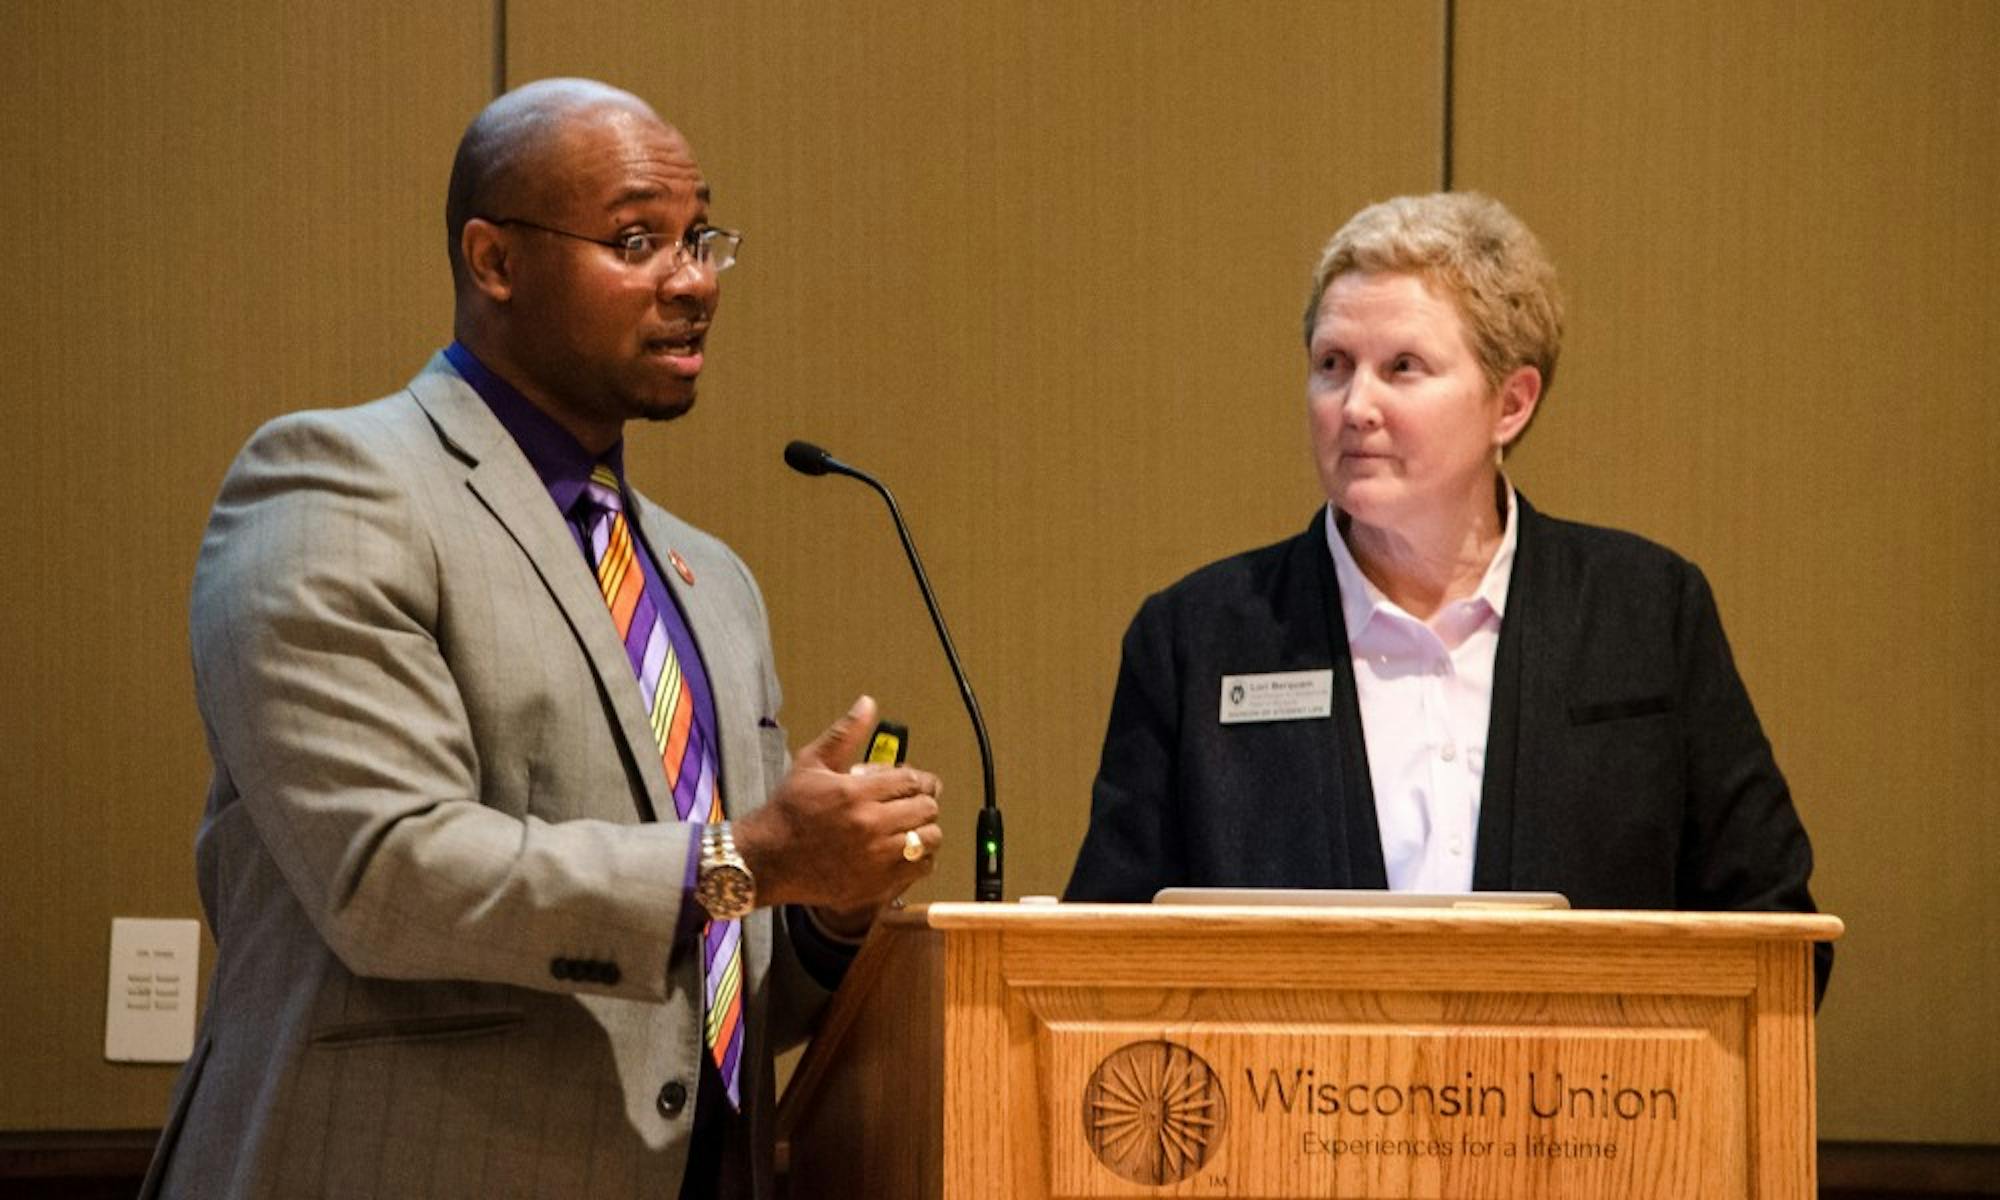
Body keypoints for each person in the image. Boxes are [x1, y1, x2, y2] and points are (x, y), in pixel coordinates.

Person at [142, 78, 943, 1199]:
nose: (693, 280)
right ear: (494, 261)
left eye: (701, 238)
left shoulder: (708, 582)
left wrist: (825, 911)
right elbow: (388, 872)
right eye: (636, 240)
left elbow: (709, 987)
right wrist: (751, 856)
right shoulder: (334, 487)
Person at [1064, 191, 1829, 998]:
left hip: (1584, 1114)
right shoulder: (1199, 638)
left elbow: (1774, 938)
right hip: (1289, 1115)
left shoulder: (1646, 615)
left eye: (1403, 368)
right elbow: (1105, 956)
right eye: (1333, 365)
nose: (1356, 407)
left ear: (1511, 402)